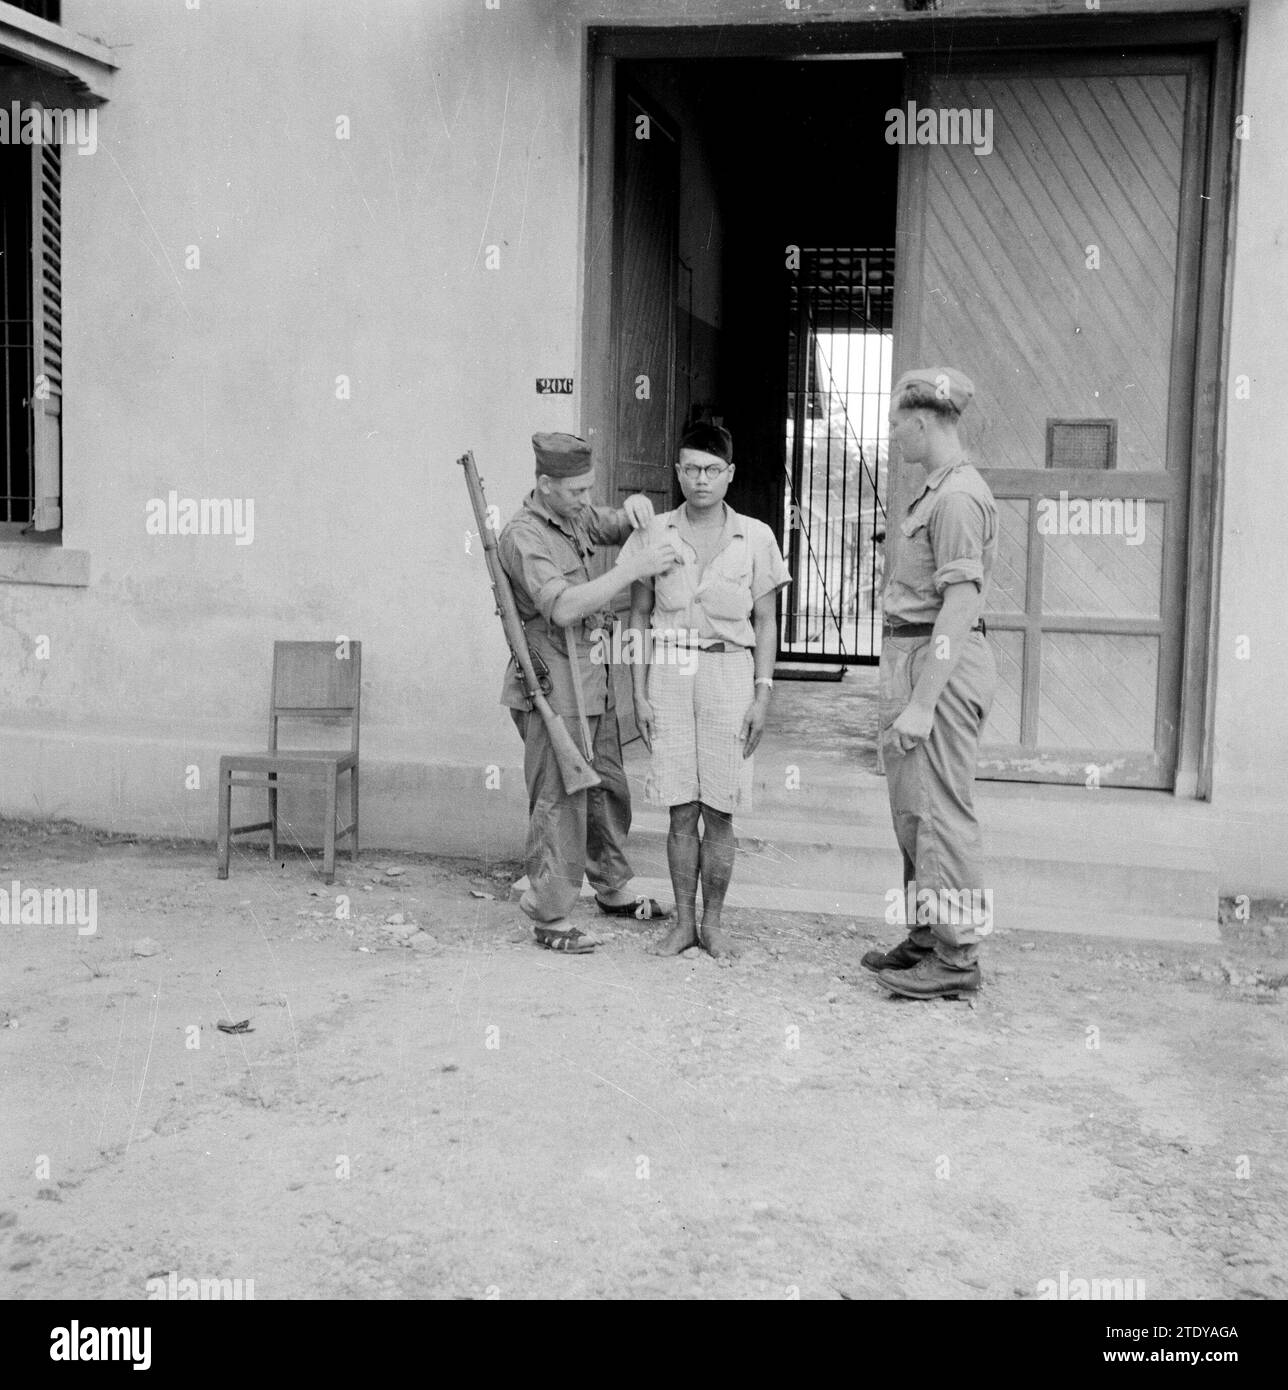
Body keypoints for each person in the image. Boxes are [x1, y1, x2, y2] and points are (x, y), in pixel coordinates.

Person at [498, 432, 681, 954]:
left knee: (606, 789)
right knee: (560, 798)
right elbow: (561, 608)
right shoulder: (524, 536)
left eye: (588, 489)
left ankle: (611, 886)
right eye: (577, 490)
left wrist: (633, 510)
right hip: (552, 684)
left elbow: (607, 522)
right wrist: (632, 570)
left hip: (592, 676)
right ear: (545, 485)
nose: (585, 498)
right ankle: (550, 915)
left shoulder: (569, 512)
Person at [620, 422, 790, 961]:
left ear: (730, 474)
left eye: (712, 470)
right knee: (678, 807)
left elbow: (766, 620)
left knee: (720, 809)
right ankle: (683, 924)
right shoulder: (653, 534)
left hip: (728, 672)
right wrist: (638, 695)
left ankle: (714, 925)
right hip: (669, 673)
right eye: (690, 469)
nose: (700, 480)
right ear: (677, 472)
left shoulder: (757, 536)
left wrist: (763, 693)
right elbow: (639, 616)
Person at [864, 368, 998, 999]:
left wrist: (922, 704)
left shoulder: (958, 497)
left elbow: (960, 604)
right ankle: (926, 936)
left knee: (941, 812)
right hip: (911, 655)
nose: (893, 434)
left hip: (936, 664)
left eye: (896, 424)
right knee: (915, 811)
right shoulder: (932, 492)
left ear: (922, 422)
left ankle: (959, 954)